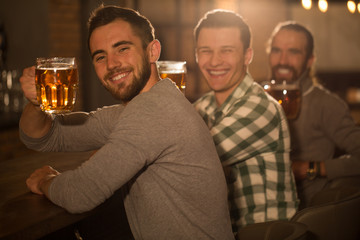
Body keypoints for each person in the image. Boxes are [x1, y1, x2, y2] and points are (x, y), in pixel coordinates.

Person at [19, 5, 234, 239]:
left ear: (153, 51)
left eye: (122, 49)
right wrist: (36, 102)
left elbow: (81, 193)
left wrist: (46, 181)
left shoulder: (154, 111)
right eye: (101, 56)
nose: (111, 64)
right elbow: (45, 136)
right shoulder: (143, 108)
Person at [193, 9, 298, 234]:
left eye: (227, 51)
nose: (214, 61)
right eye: (205, 51)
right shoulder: (202, 107)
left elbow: (187, 164)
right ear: (196, 55)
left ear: (247, 56)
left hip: (266, 235)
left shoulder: (259, 107)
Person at [267, 21, 360, 209]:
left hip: (304, 213)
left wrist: (309, 168)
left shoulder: (326, 104)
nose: (283, 60)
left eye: (293, 52)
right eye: (276, 50)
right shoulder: (260, 95)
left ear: (310, 60)